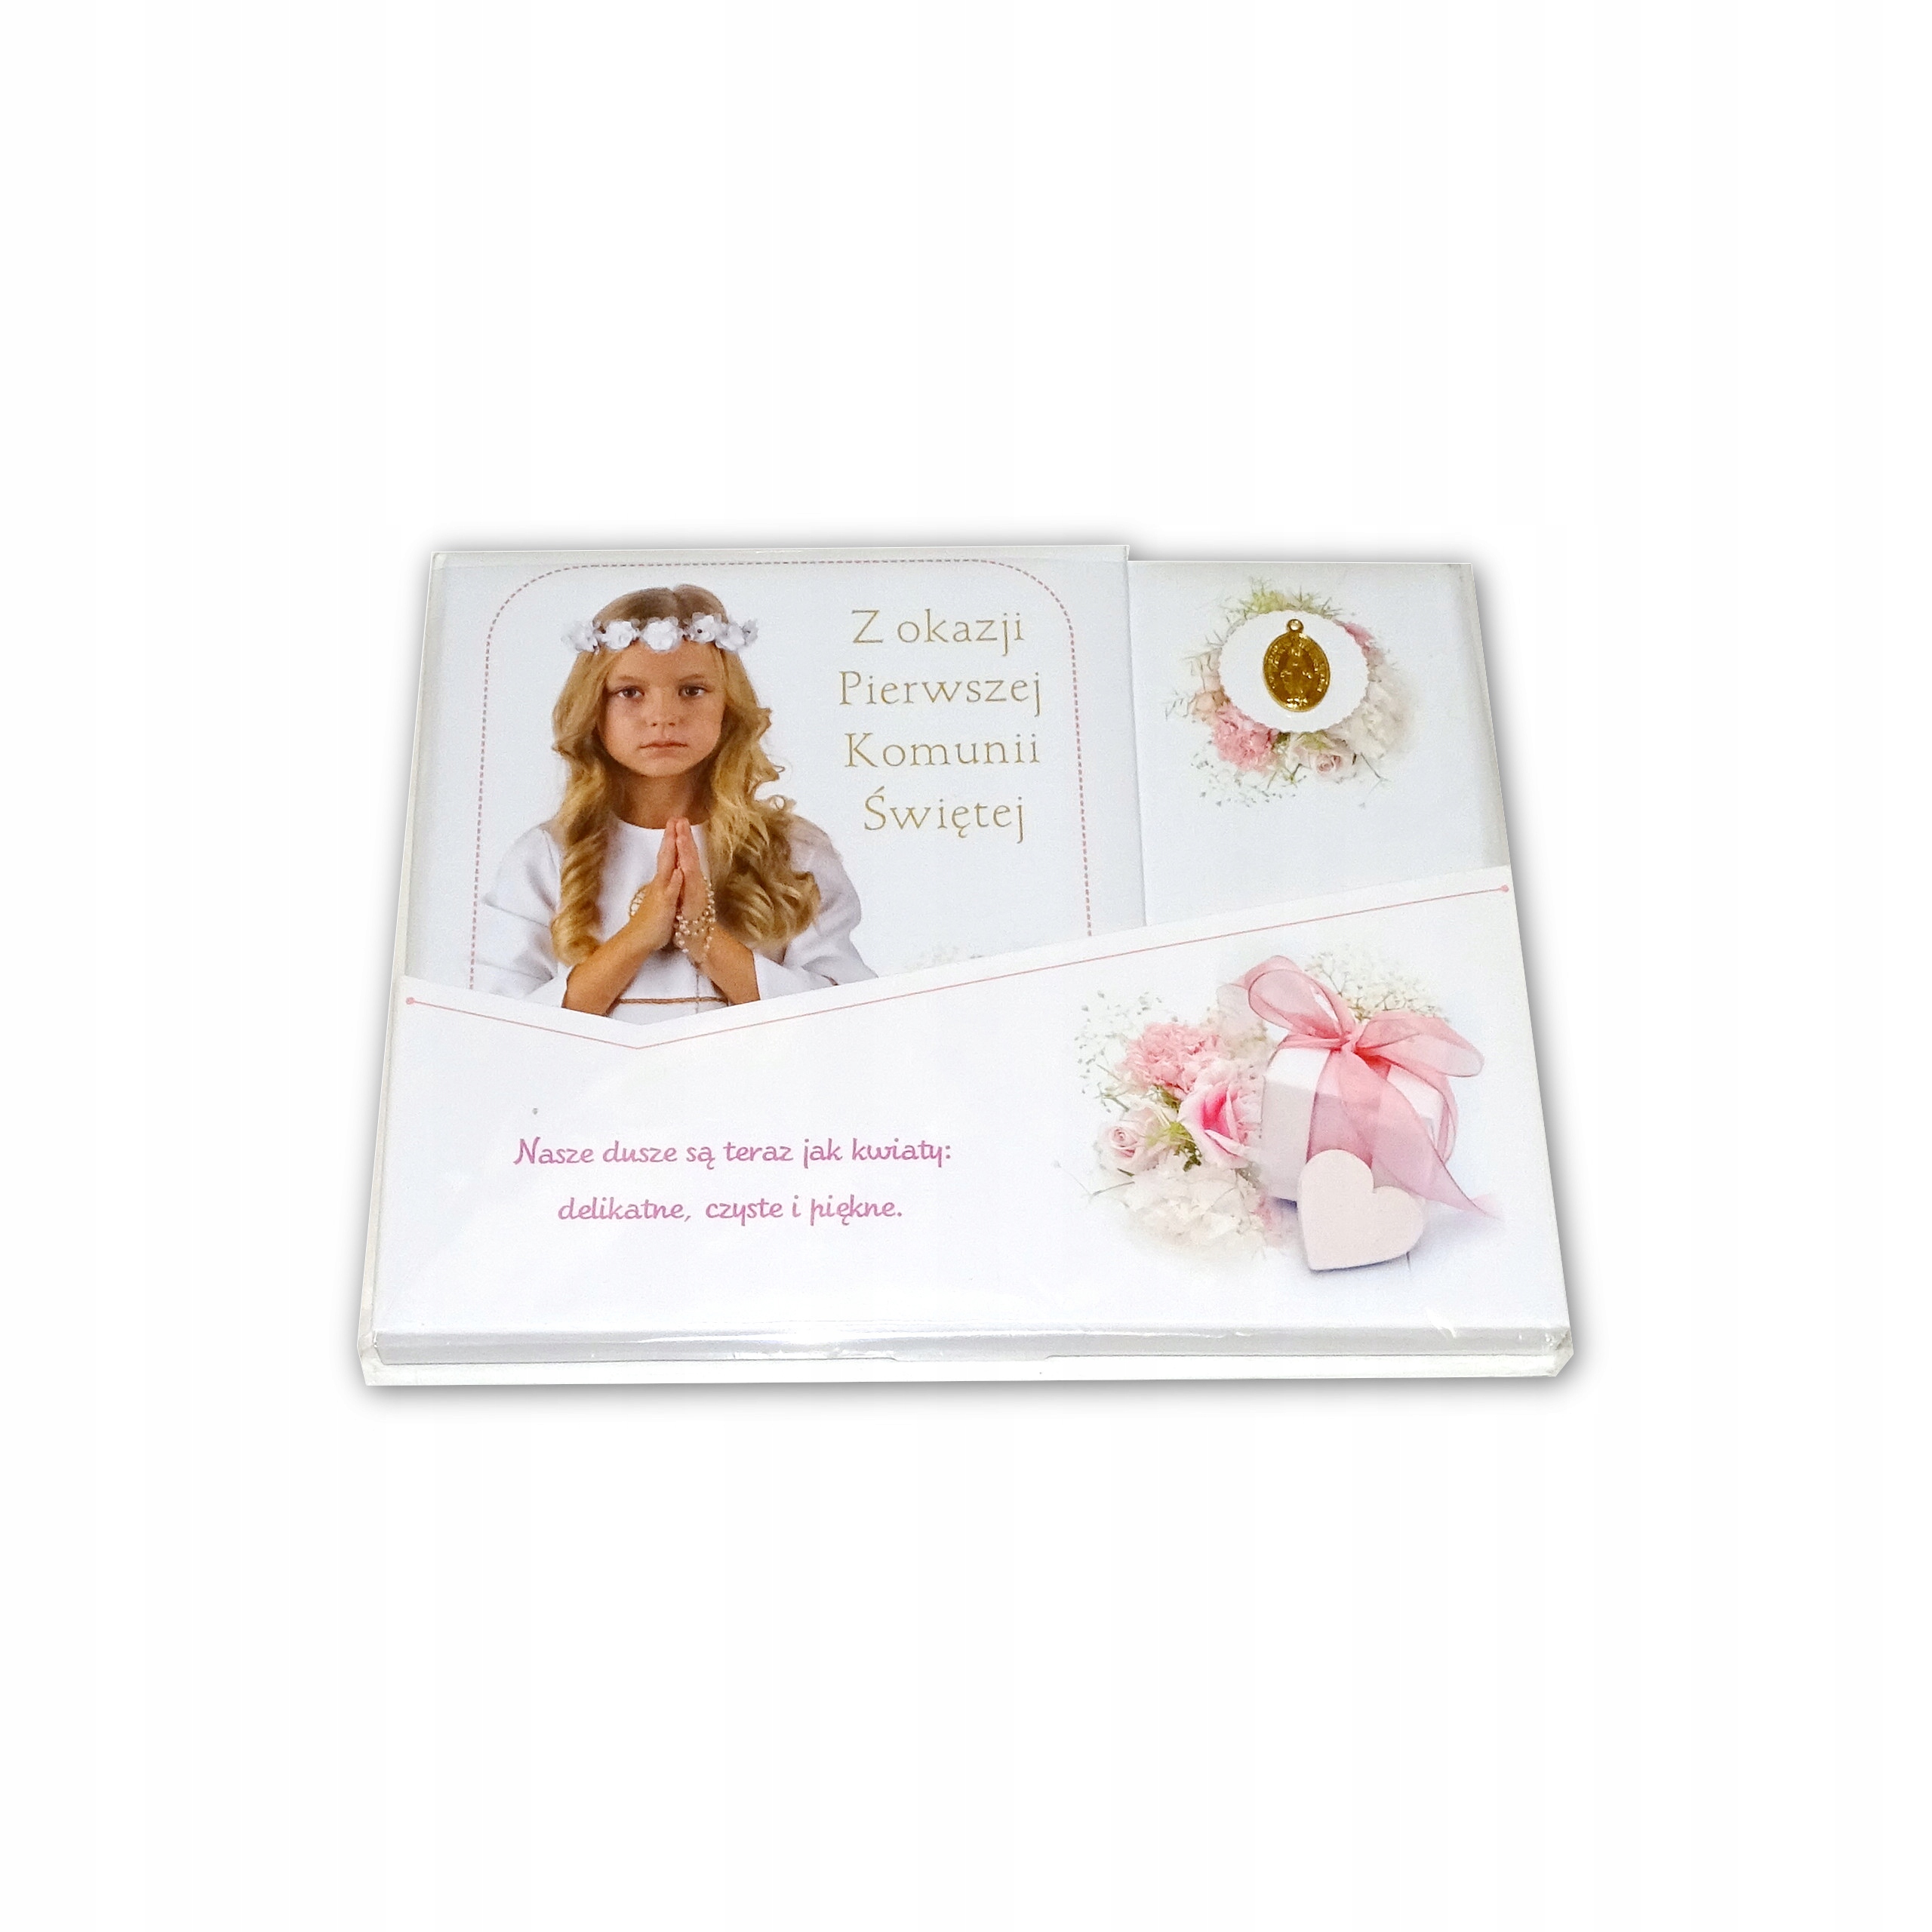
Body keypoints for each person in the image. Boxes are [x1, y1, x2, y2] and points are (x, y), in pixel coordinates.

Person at [476, 584, 872, 1023]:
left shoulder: (795, 852)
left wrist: (706, 940)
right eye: (630, 692)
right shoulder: (544, 859)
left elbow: (849, 1017)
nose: (663, 716)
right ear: (594, 708)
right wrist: (637, 938)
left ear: (728, 706)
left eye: (692, 690)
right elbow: (501, 1028)